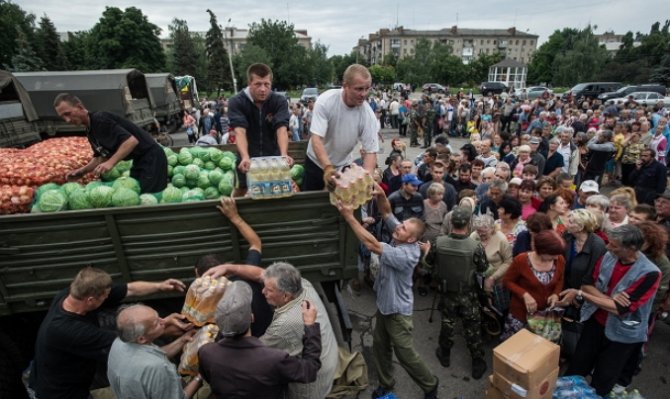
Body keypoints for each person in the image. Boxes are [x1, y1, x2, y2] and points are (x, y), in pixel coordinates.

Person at [337, 184, 439, 399]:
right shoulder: (402, 235)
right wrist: (382, 194)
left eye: (402, 229)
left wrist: (349, 217)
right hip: (385, 306)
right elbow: (386, 212)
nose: (398, 228)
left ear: (411, 239)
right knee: (380, 347)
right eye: (401, 225)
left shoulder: (405, 254)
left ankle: (430, 384)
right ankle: (386, 383)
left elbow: (371, 244)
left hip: (397, 313)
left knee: (405, 354)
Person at [29, 267, 188, 399]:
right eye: (105, 295)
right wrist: (169, 329)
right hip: (59, 393)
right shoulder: (69, 330)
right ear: (91, 300)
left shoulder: (74, 294)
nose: (108, 297)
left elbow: (129, 289)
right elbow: (133, 346)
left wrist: (160, 286)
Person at [203, 262, 338, 399]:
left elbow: (253, 352)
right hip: (326, 359)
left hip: (311, 385)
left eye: (269, 290)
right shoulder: (302, 283)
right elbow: (260, 274)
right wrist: (230, 268)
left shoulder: (283, 326)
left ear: (285, 296)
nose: (263, 292)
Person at [561, 225, 661, 397]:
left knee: (604, 378)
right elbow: (587, 283)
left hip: (623, 335)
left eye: (614, 245)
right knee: (577, 365)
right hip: (596, 322)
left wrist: (582, 294)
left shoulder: (650, 273)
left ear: (630, 249)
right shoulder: (608, 256)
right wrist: (610, 300)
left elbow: (619, 309)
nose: (608, 247)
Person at [55, 93, 168, 194]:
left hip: (152, 158)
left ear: (79, 107)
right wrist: (81, 171)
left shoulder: (100, 119)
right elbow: (100, 157)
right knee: (135, 193)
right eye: (63, 117)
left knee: (147, 198)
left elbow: (131, 141)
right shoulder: (90, 130)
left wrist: (110, 163)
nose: (67, 120)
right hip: (140, 161)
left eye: (68, 114)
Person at [426, 206, 489, 380]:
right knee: (472, 327)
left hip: (447, 292)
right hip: (468, 294)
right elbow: (483, 268)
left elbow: (429, 263)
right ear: (469, 224)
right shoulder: (475, 246)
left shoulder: (439, 242)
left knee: (448, 323)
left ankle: (444, 354)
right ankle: (477, 361)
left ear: (451, 222)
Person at [302, 64, 379, 191]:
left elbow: (370, 152)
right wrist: (327, 167)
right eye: (359, 89)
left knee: (340, 205)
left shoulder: (368, 115)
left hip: (343, 164)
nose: (363, 94)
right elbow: (317, 139)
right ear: (345, 86)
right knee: (311, 202)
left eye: (367, 89)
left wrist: (368, 180)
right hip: (316, 162)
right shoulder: (326, 101)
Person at [107, 305, 202, 399]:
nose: (164, 321)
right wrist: (199, 377)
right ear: (141, 339)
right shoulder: (158, 368)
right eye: (156, 323)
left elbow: (154, 354)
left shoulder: (119, 342)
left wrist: (182, 340)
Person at [228, 63, 292, 196]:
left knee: (273, 193)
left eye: (266, 84)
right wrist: (245, 156)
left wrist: (284, 154)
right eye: (258, 84)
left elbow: (281, 129)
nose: (263, 89)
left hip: (272, 160)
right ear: (249, 83)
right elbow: (240, 131)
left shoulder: (279, 101)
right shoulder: (237, 101)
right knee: (240, 191)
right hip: (247, 159)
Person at [502, 230, 565, 340]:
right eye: (552, 255)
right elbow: (507, 281)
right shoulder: (521, 260)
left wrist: (555, 294)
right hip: (520, 314)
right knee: (515, 346)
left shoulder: (559, 259)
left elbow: (560, 279)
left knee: (537, 349)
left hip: (544, 316)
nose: (556, 257)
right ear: (541, 251)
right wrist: (525, 295)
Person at [471, 213, 513, 315]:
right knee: (480, 308)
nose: (480, 235)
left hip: (497, 280)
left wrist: (493, 278)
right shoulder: (473, 236)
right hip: (478, 280)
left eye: (484, 233)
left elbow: (508, 262)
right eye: (478, 231)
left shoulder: (501, 239)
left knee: (498, 310)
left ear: (492, 228)